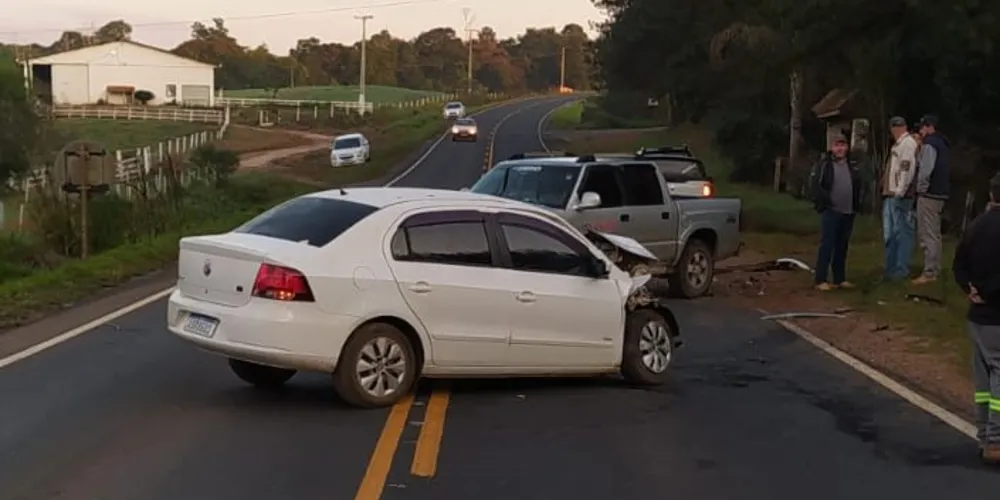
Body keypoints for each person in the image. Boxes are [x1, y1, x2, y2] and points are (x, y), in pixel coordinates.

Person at [952, 172, 1000, 463]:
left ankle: (984, 436)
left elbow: (959, 265)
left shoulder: (975, 226)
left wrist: (971, 289)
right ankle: (996, 439)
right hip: (997, 316)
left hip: (977, 317)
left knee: (983, 378)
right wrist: (990, 293)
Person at [810, 133, 862, 291]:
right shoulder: (824, 164)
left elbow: (858, 184)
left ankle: (840, 279)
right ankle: (821, 279)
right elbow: (816, 185)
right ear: (831, 148)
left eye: (842, 145)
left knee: (842, 246)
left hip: (848, 211)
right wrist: (824, 202)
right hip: (831, 210)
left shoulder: (852, 165)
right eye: (836, 145)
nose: (840, 149)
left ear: (846, 147)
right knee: (827, 244)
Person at [913, 114, 950, 285]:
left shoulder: (930, 144)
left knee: (927, 233)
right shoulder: (943, 144)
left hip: (929, 194)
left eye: (921, 128)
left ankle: (929, 272)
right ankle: (935, 268)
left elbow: (925, 170)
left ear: (928, 127)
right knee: (935, 234)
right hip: (941, 193)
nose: (920, 132)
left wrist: (920, 190)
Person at [881, 116, 918, 281]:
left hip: (899, 196)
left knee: (901, 233)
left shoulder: (907, 144)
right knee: (890, 235)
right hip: (891, 194)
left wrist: (900, 191)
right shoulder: (899, 144)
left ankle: (900, 269)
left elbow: (906, 168)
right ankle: (890, 268)